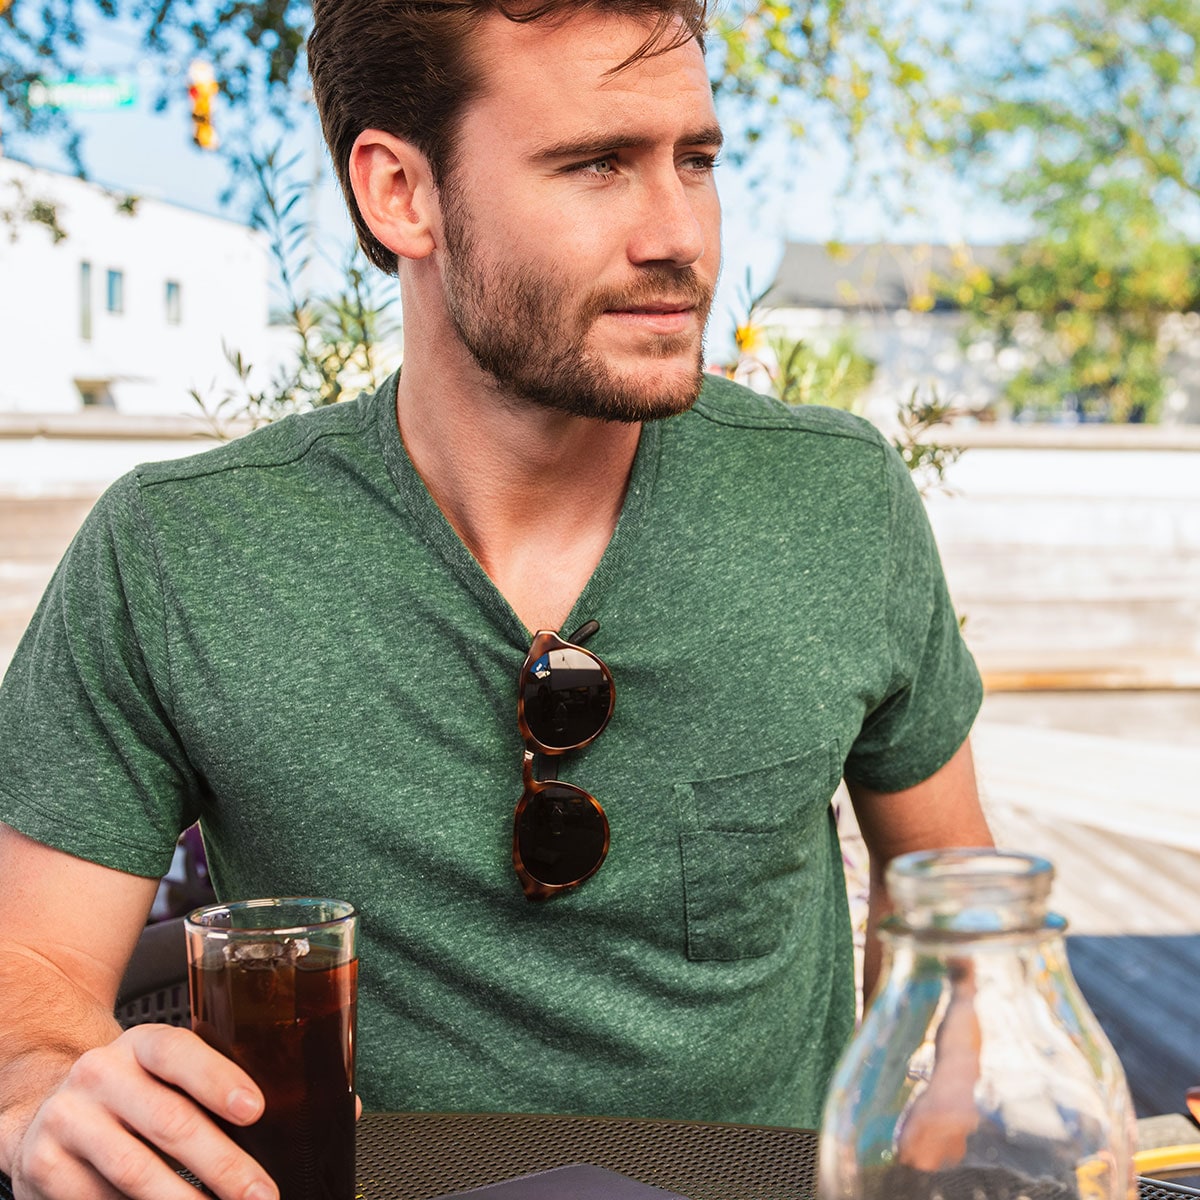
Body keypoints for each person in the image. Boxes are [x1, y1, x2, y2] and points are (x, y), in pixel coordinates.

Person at [0, 0, 993, 1196]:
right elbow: (32, 969)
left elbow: (955, 902)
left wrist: (929, 1131)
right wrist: (49, 1088)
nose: (681, 234)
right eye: (596, 166)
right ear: (400, 194)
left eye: (698, 160)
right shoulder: (177, 550)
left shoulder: (839, 500)